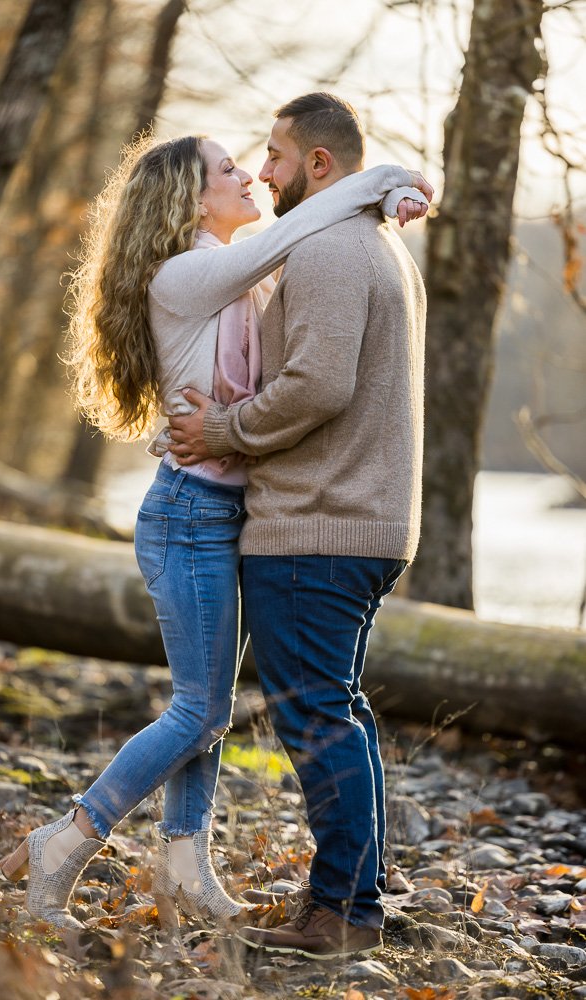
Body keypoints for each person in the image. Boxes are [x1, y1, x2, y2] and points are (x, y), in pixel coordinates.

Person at [0, 127, 429, 932]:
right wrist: (388, 180)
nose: (252, 178)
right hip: (188, 512)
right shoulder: (189, 274)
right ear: (187, 198)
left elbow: (300, 252)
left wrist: (384, 196)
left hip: (230, 511)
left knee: (212, 706)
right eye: (230, 168)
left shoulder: (243, 281)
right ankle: (66, 841)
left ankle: (183, 870)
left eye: (257, 161)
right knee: (198, 709)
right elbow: (303, 225)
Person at [167, 93, 428, 960]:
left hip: (319, 524)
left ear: (319, 165)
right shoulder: (376, 241)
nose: (263, 170)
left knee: (317, 716)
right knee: (339, 712)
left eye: (274, 156)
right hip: (360, 522)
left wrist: (221, 432)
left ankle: (341, 914)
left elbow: (317, 385)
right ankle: (350, 898)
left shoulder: (325, 246)